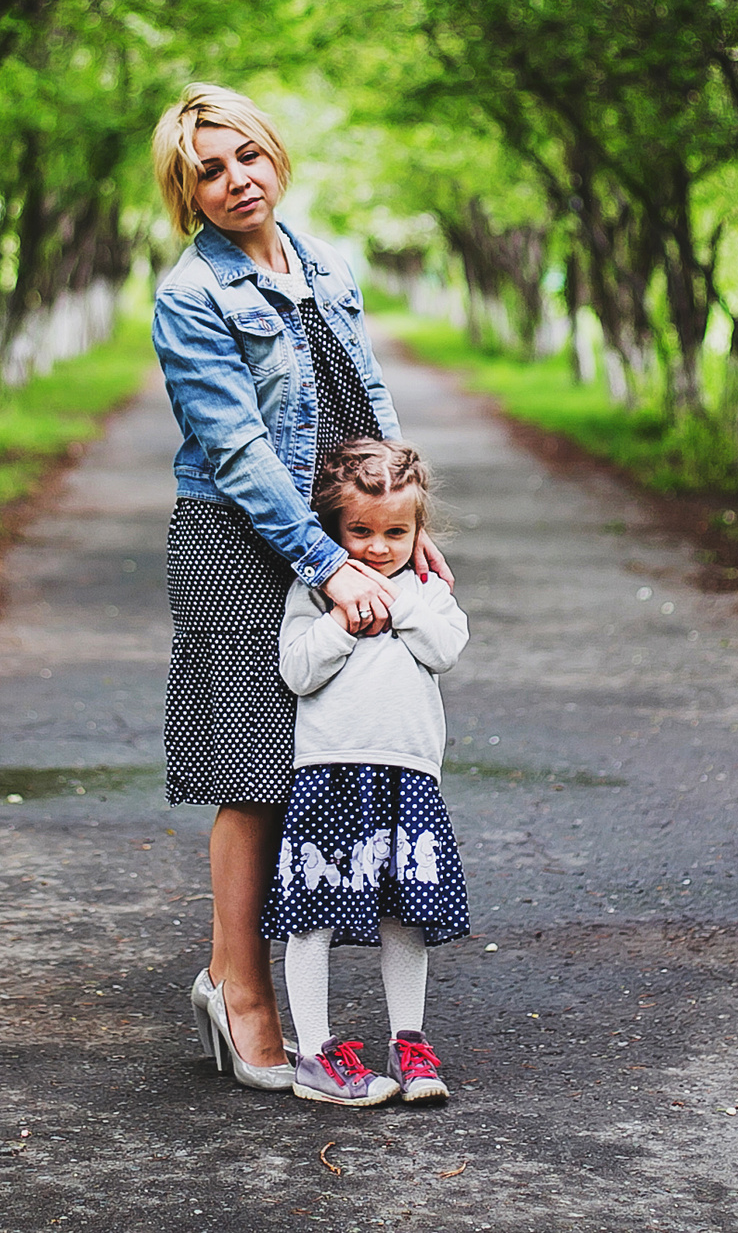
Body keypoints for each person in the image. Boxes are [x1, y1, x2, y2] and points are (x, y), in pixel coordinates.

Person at [150, 83, 449, 1092]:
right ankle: (241, 997)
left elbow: (371, 403)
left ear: (275, 156)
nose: (237, 181)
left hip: (340, 531)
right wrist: (324, 566)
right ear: (186, 193)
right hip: (242, 544)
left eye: (248, 157)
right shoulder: (191, 295)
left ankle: (232, 976)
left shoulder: (324, 262)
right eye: (210, 171)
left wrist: (407, 531)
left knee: (313, 757)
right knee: (255, 773)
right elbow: (236, 452)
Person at [264, 439, 469, 1106]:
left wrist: (400, 601)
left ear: (417, 529)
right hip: (329, 774)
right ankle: (318, 1052)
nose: (378, 547)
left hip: (407, 775)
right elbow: (295, 670)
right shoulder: (314, 590)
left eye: (396, 532)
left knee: (406, 915)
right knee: (311, 915)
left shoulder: (429, 590)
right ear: (332, 528)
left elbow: (445, 649)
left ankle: (409, 1041)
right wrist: (343, 622)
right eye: (360, 531)